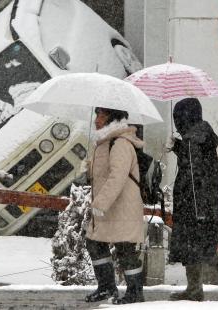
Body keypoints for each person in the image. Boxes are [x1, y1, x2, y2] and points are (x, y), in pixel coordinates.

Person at [168, 98, 218, 301]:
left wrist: (197, 209)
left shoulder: (193, 140)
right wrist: (179, 147)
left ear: (184, 118)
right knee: (199, 243)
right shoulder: (201, 136)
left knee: (191, 243)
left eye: (177, 117)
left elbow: (192, 176)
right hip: (207, 200)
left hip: (193, 203)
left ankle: (196, 288)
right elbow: (198, 167)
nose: (176, 122)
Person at [85, 107, 145, 304]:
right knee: (95, 242)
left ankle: (135, 293)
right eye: (97, 115)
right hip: (110, 207)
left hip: (122, 206)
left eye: (101, 116)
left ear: (113, 119)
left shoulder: (120, 143)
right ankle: (107, 287)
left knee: (125, 248)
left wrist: (100, 203)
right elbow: (104, 174)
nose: (96, 120)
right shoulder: (104, 143)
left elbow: (117, 177)